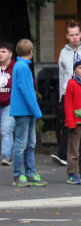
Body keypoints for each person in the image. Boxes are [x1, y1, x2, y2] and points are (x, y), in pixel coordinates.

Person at [9, 39, 45, 187]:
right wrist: (37, 111)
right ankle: (20, 174)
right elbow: (28, 92)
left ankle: (29, 173)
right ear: (31, 52)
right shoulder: (23, 68)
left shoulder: (19, 66)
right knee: (23, 143)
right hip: (25, 110)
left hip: (24, 110)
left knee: (29, 143)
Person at [55, 22, 81, 167]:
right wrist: (61, 94)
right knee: (69, 123)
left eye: (77, 34)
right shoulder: (64, 52)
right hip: (67, 92)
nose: (74, 38)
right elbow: (62, 74)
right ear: (67, 36)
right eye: (71, 35)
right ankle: (65, 154)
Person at [63, 57, 81, 184]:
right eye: (80, 68)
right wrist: (70, 121)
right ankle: (72, 173)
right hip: (75, 121)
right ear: (75, 69)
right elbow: (68, 103)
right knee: (73, 149)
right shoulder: (71, 83)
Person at [0, 42, 13, 167]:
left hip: (9, 103)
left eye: (4, 51)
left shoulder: (15, 67)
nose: (0, 54)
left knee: (6, 130)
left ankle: (6, 156)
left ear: (10, 54)